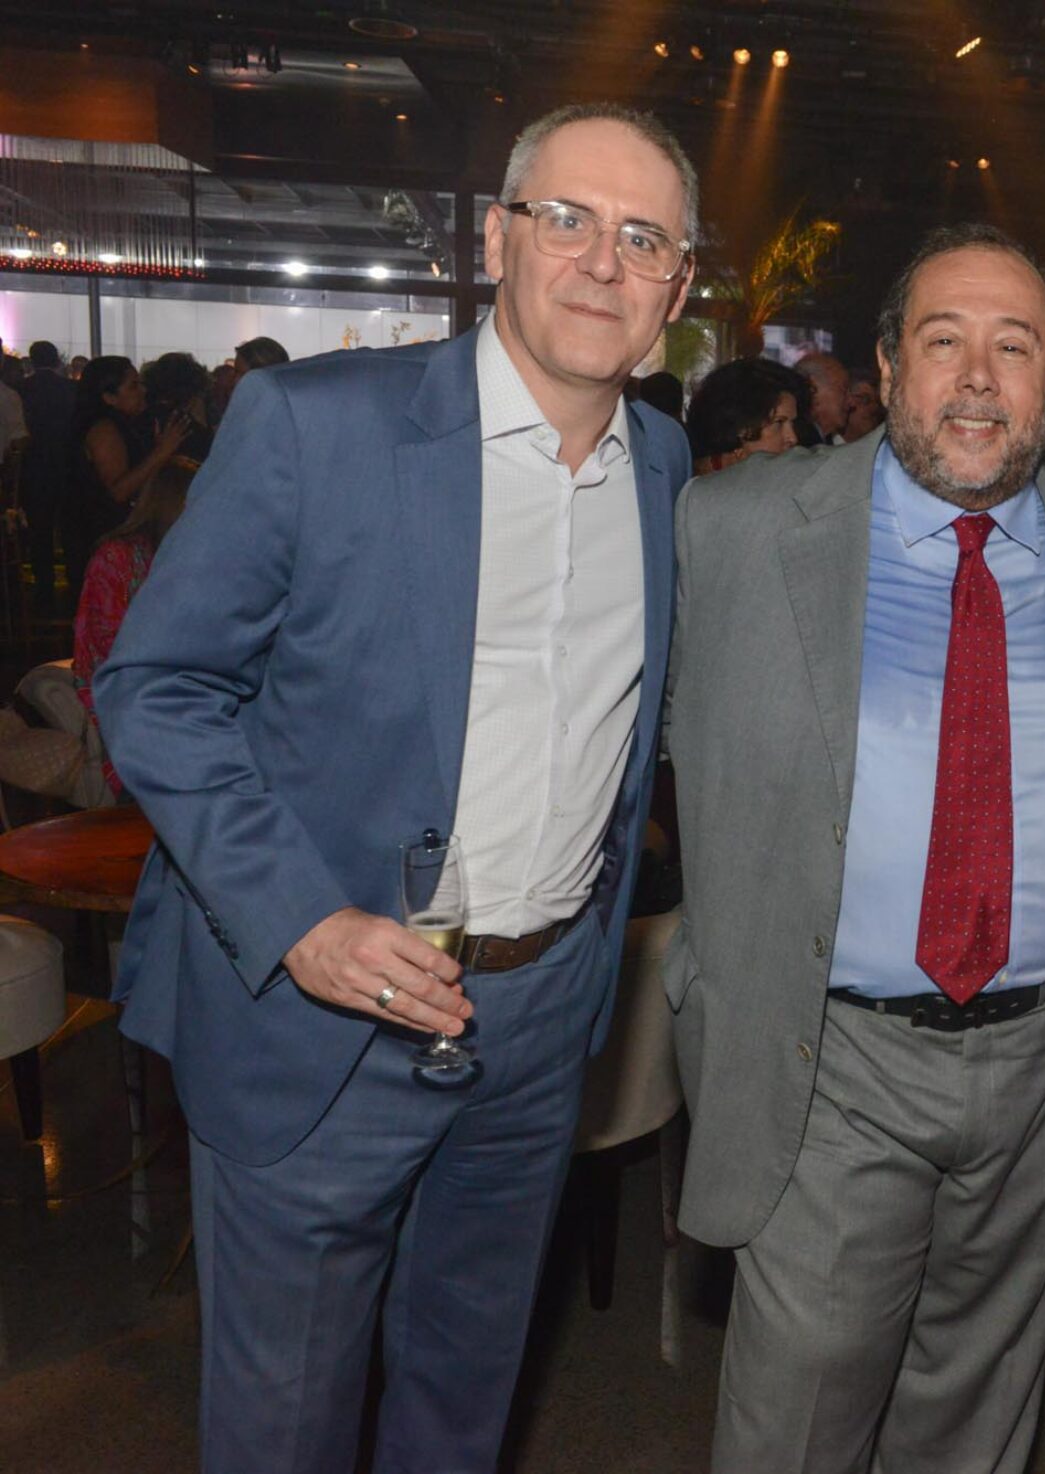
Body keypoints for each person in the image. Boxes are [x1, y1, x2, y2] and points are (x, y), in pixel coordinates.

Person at [94, 101, 697, 1472]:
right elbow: (155, 684)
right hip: (324, 1025)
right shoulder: (317, 427)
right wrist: (300, 919)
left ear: (677, 289)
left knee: (460, 1412)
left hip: (538, 1025)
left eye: (643, 238)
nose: (601, 260)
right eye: (567, 217)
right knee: (286, 1432)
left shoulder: (662, 471)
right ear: (496, 240)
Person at [664, 222, 1045, 1474]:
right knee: (796, 1426)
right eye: (945, 342)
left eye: (1016, 347)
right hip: (831, 1058)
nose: (979, 379)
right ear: (888, 366)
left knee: (979, 1416)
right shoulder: (733, 526)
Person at [73, 461, 192, 798]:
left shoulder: (185, 558)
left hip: (170, 683)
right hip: (123, 688)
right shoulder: (117, 557)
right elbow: (115, 647)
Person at [65, 356, 191, 593]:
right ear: (109, 397)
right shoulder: (103, 430)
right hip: (105, 533)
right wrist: (161, 453)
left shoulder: (125, 424)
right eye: (133, 386)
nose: (142, 391)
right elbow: (118, 491)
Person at [19, 341, 80, 610]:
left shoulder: (22, 389)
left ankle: (44, 587)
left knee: (40, 530)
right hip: (67, 467)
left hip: (34, 468)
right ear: (56, 359)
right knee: (70, 528)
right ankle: (76, 582)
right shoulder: (71, 389)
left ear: (32, 361)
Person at [683, 355, 807, 473]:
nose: (792, 438)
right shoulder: (697, 483)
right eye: (779, 422)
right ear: (741, 427)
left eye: (793, 423)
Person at [791, 349, 850, 445]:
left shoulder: (829, 441)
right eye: (843, 390)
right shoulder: (796, 442)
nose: (851, 402)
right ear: (812, 389)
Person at [844, 364, 884, 438]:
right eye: (866, 400)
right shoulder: (825, 443)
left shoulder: (879, 444)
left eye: (877, 402)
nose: (874, 407)